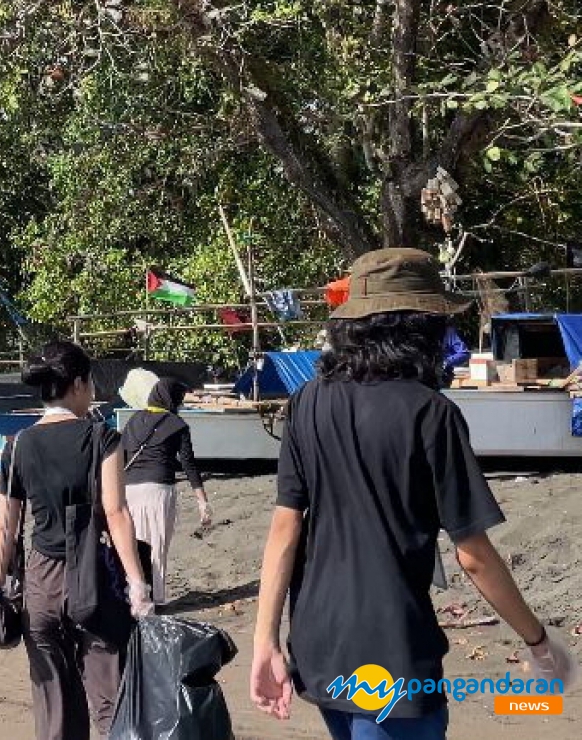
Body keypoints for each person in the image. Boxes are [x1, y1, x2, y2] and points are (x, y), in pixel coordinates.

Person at [251, 248, 576, 740]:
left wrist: (264, 642)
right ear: (418, 326)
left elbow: (284, 528)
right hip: (391, 650)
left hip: (317, 639)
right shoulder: (430, 413)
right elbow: (473, 556)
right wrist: (537, 640)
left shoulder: (306, 402)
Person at [0, 341, 154, 740]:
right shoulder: (102, 437)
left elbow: (5, 528)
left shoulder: (17, 444)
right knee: (111, 703)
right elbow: (116, 513)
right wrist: (136, 583)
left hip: (40, 585)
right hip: (93, 580)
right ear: (79, 384)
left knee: (55, 710)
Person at [121, 376, 212, 603]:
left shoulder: (132, 420)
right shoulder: (178, 425)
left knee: (133, 545)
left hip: (129, 489)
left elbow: (121, 455)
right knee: (156, 547)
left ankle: (132, 596)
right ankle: (155, 599)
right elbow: (189, 464)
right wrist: (202, 501)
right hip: (158, 490)